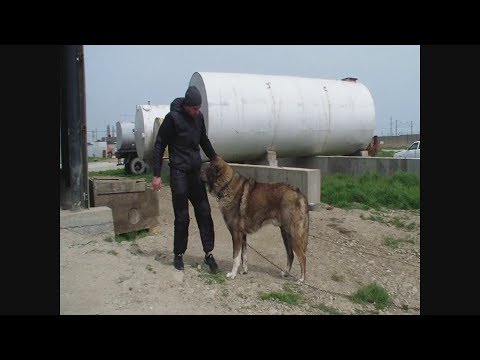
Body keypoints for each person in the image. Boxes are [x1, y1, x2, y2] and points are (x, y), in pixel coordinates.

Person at [152, 85, 219, 273]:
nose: (197, 111)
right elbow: (159, 145)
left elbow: (204, 140)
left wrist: (215, 158)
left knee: (205, 213)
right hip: (179, 173)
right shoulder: (172, 119)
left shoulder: (199, 118)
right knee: (182, 217)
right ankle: (179, 254)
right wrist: (156, 175)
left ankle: (209, 254)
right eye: (195, 108)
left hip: (195, 173)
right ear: (186, 106)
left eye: (199, 108)